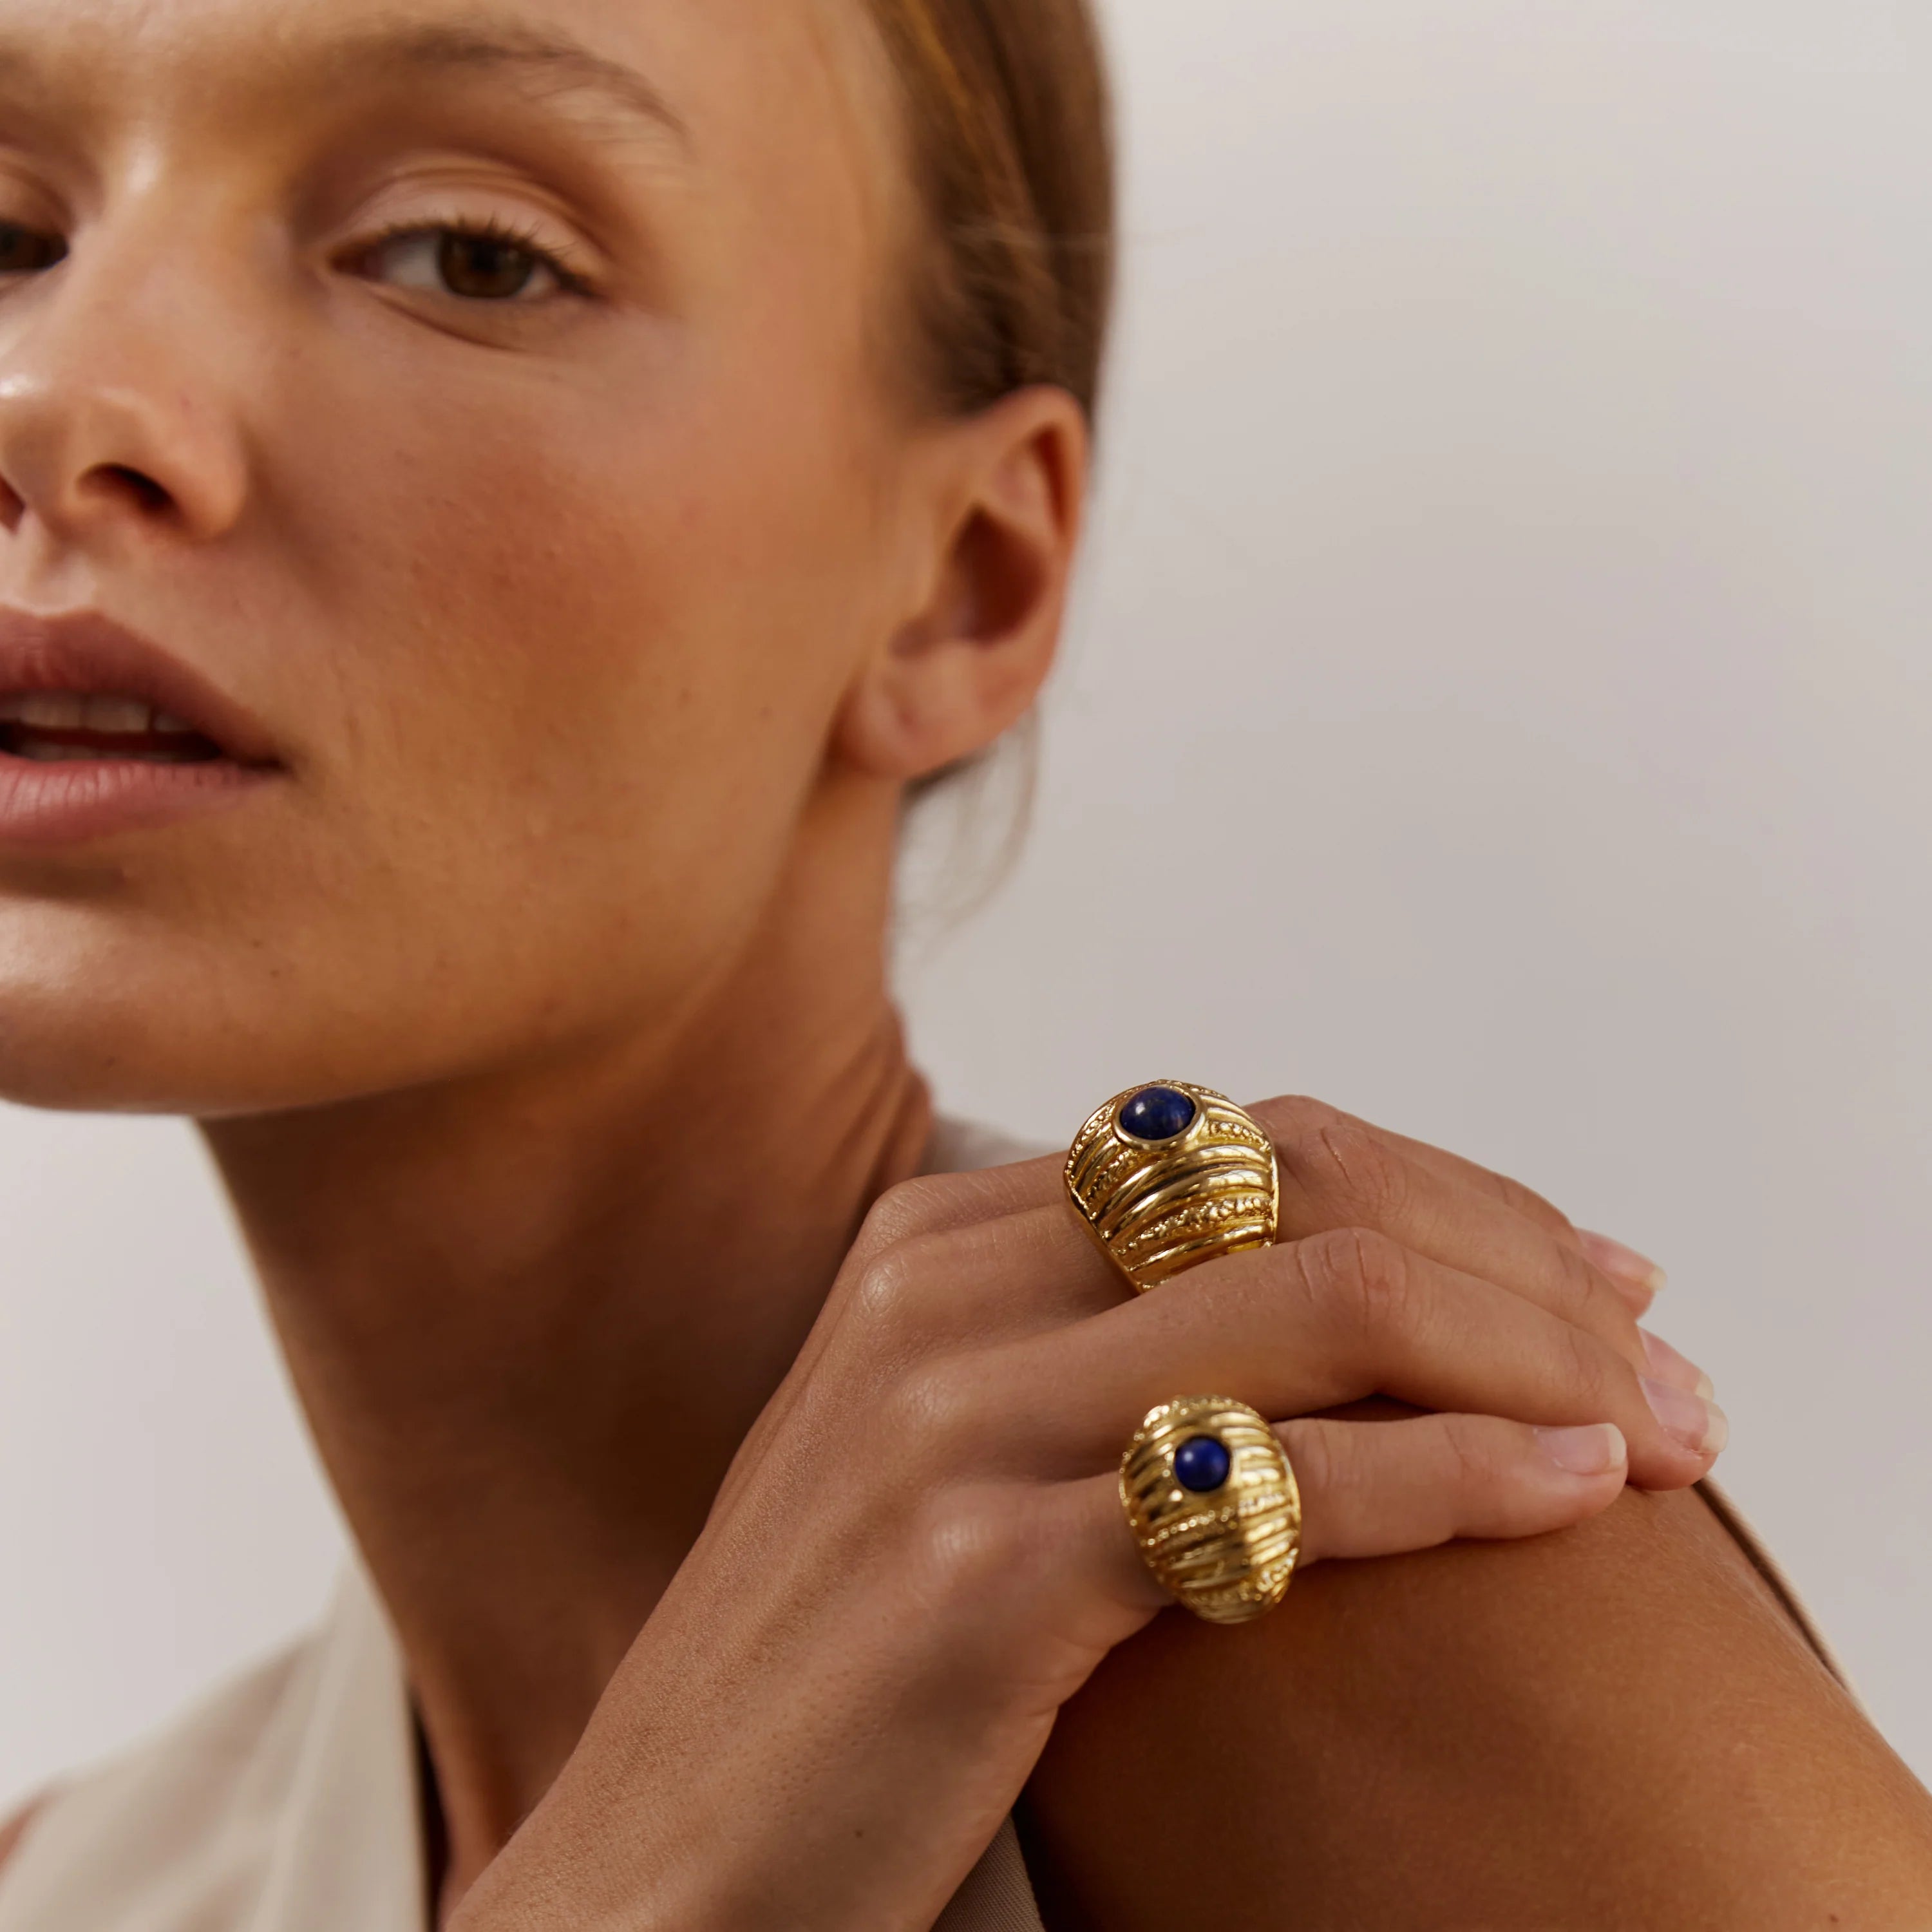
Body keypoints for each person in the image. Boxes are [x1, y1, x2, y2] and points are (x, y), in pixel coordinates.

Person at [0, 0, 1927, 1925]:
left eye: (470, 256)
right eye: (10, 234)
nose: (53, 399)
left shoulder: (1268, 1556)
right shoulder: (81, 1882)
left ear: (965, 582)